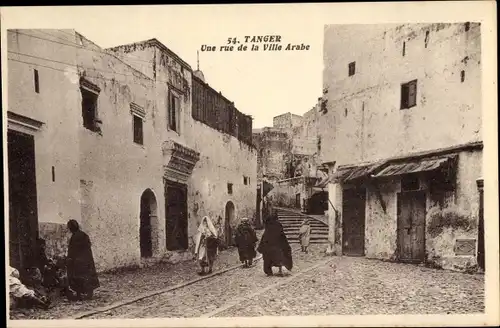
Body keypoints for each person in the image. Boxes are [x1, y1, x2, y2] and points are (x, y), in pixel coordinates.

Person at [66, 219, 100, 301]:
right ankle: (89, 293)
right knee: (87, 276)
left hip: (78, 261)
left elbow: (72, 250)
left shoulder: (74, 237)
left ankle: (79, 295)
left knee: (77, 277)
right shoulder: (84, 235)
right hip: (86, 260)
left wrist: (69, 259)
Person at [257, 207, 293, 277]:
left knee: (268, 258)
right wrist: (285, 244)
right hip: (277, 245)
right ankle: (280, 270)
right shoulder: (278, 224)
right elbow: (281, 235)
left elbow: (265, 235)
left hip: (268, 245)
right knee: (280, 256)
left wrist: (262, 245)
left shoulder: (268, 225)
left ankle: (269, 272)